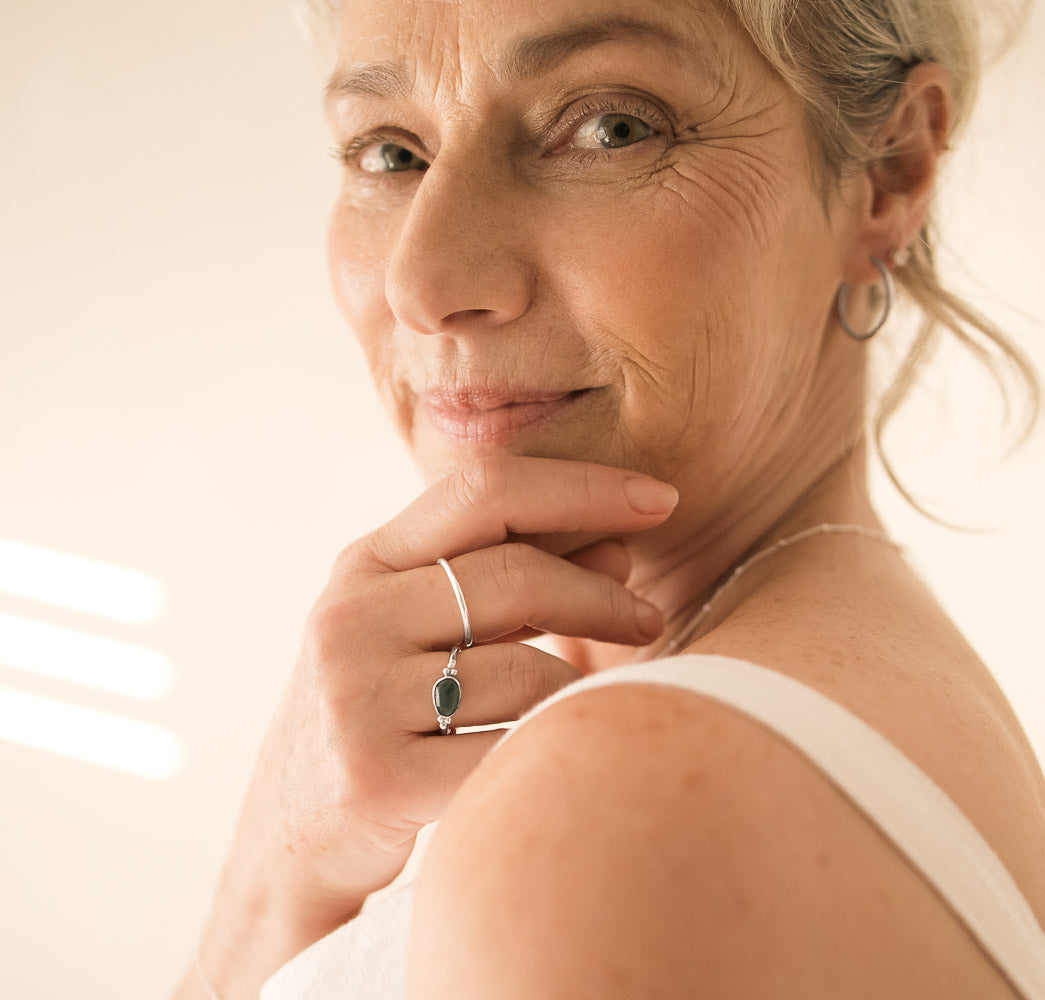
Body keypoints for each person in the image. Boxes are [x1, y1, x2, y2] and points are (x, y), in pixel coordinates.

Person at [174, 0, 1045, 996]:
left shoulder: (628, 792)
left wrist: (256, 904)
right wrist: (279, 869)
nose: (425, 279)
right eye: (389, 152)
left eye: (608, 126)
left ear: (889, 171)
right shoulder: (870, 699)